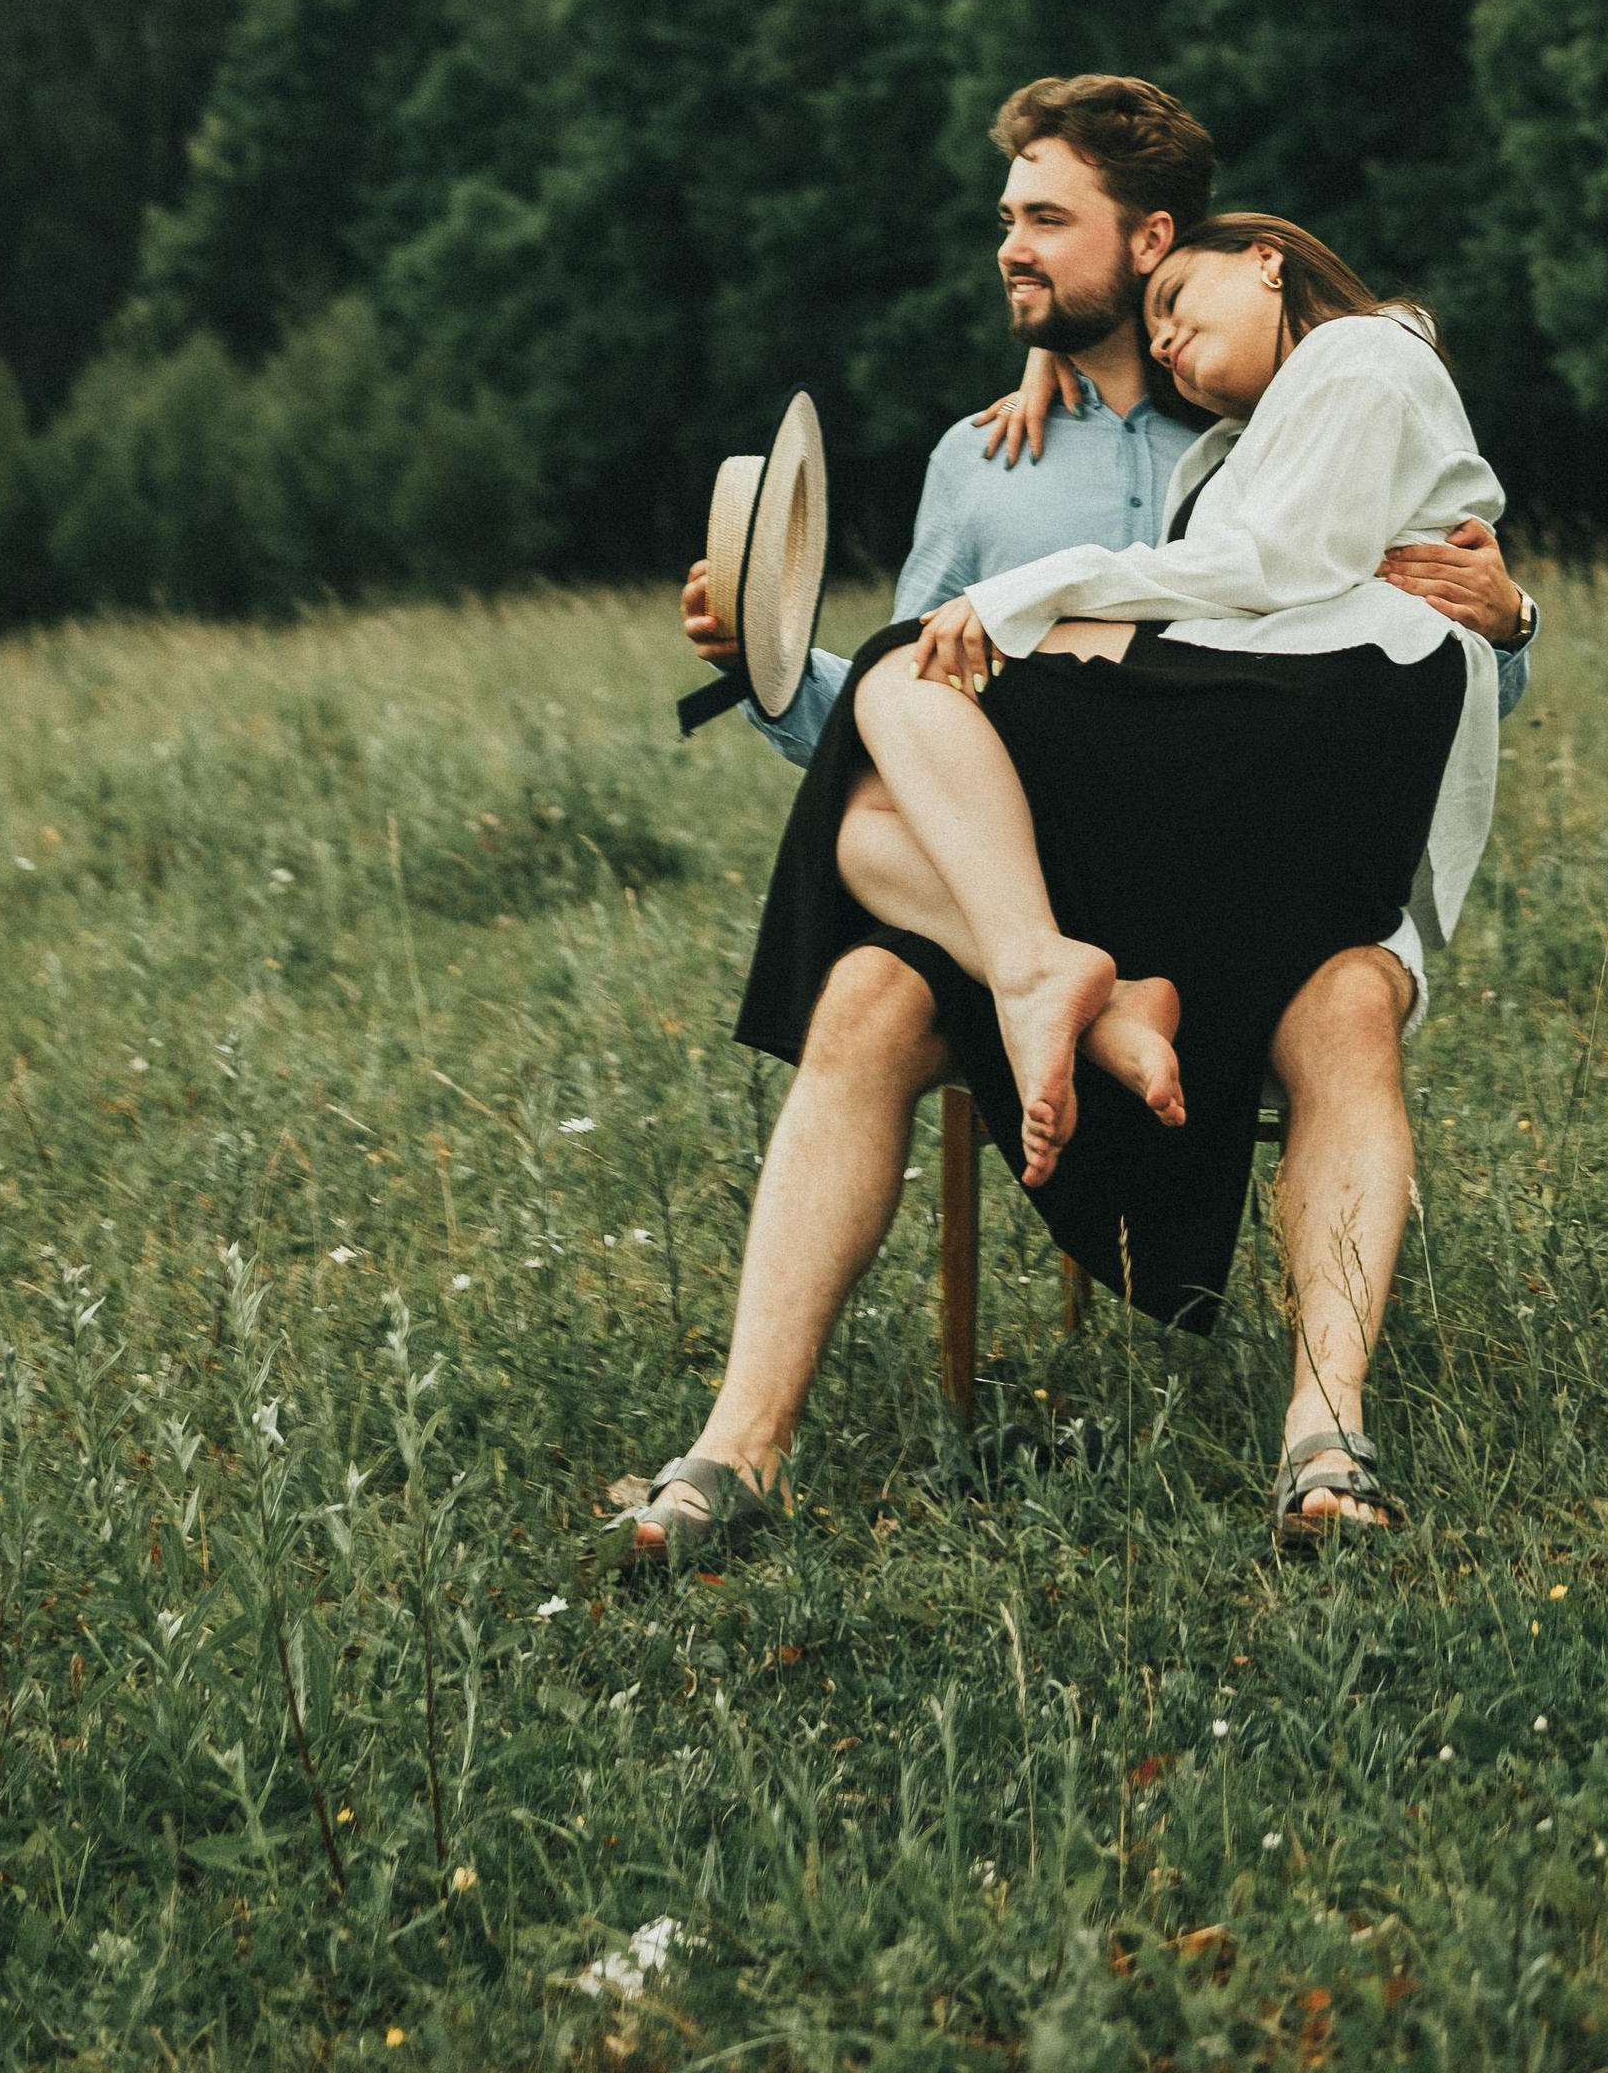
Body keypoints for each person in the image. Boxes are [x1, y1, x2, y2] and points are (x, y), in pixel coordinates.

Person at [623, 77, 1535, 1563]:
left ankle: (1326, 1434)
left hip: (1248, 851)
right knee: (863, 964)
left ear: (1159, 239)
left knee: (1350, 1004)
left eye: (1046, 220)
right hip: (1030, 870)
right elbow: (903, 717)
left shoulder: (1265, 412)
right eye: (1007, 220)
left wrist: (1512, 614)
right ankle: (737, 1451)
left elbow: (1410, 668)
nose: (1011, 248)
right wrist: (768, 664)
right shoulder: (982, 458)